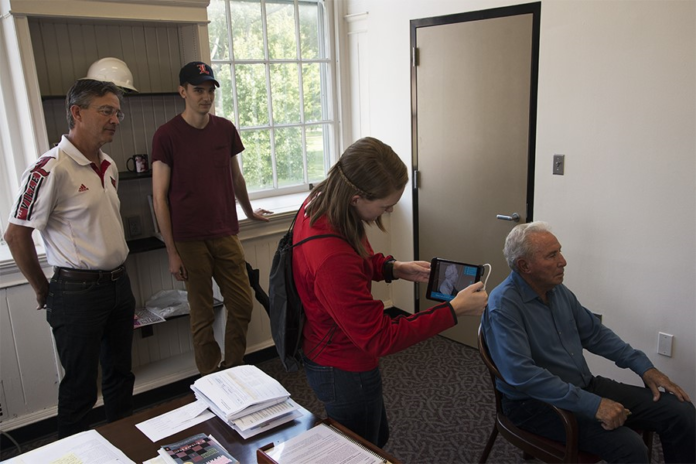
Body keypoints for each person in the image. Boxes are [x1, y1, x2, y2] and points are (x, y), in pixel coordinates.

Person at [293, 137, 488, 447]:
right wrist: (452, 311)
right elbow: (379, 337)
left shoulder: (324, 200)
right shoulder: (331, 257)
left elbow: (353, 260)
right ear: (356, 197)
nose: (390, 210)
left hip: (335, 347)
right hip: (342, 366)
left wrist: (391, 268)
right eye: (385, 206)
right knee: (361, 450)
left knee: (374, 437)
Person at [481, 221, 695, 463]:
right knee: (630, 447)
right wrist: (593, 405)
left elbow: (596, 335)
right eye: (552, 255)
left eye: (560, 251)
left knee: (681, 412)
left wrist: (644, 367)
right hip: (533, 404)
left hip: (581, 386)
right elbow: (522, 375)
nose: (563, 261)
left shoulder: (558, 290)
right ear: (524, 265)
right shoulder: (504, 305)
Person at [4, 79, 136, 438]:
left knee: (121, 376)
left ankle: (126, 446)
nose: (115, 119)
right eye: (106, 111)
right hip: (77, 293)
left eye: (117, 112)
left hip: (118, 287)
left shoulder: (106, 164)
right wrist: (42, 288)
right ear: (77, 113)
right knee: (80, 387)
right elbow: (16, 235)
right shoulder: (49, 169)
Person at [151, 61, 272, 376]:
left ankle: (233, 368)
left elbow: (236, 177)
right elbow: (160, 198)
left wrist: (248, 212)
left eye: (209, 90)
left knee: (242, 304)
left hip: (224, 232)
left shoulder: (225, 129)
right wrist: (172, 252)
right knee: (202, 313)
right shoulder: (167, 135)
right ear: (183, 92)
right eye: (198, 90)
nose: (205, 97)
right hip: (188, 240)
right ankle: (210, 377)